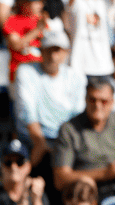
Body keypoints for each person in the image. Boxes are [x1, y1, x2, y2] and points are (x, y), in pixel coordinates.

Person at [53, 79, 115, 200]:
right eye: (92, 99)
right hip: (85, 195)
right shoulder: (69, 130)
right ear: (85, 100)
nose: (97, 105)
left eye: (104, 101)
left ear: (112, 102)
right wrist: (105, 173)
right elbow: (60, 179)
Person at [15, 29, 87, 174]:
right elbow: (28, 113)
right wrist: (40, 144)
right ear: (41, 51)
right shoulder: (26, 71)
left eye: (58, 50)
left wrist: (65, 144)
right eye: (49, 50)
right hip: (33, 139)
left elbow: (77, 115)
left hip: (64, 139)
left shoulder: (76, 77)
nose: (53, 56)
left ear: (66, 52)